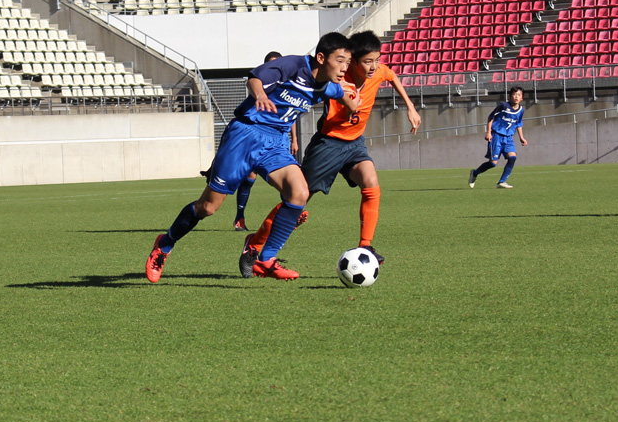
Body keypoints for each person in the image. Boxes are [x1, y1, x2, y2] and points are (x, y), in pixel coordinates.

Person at [145, 33, 359, 283]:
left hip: (276, 142)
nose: (344, 68)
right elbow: (255, 78)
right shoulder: (294, 65)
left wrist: (353, 105)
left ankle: (265, 259)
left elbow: (343, 96)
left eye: (348, 62)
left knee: (299, 193)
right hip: (246, 135)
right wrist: (260, 95)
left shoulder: (329, 86)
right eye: (340, 61)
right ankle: (164, 244)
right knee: (208, 207)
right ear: (321, 58)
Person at [238, 30, 421, 277]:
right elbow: (325, 104)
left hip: (355, 143)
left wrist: (410, 107)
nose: (374, 66)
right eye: (367, 61)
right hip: (328, 145)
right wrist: (348, 104)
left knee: (370, 180)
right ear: (353, 62)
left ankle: (366, 246)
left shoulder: (378, 71)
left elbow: (392, 76)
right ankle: (255, 244)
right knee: (297, 200)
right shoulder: (337, 81)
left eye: (377, 60)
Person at [231, 50, 301, 231]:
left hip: (280, 138)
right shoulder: (261, 86)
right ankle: (240, 217)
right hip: (259, 137)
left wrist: (294, 139)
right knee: (249, 177)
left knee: (288, 178)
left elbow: (291, 116)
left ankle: (288, 217)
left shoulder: (289, 86)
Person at [468, 86, 528, 189]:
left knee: (512, 157)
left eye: (519, 95)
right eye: (514, 94)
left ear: (522, 98)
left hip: (508, 137)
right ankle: (475, 173)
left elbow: (518, 124)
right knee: (493, 163)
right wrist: (489, 132)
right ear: (510, 96)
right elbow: (491, 117)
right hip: (497, 136)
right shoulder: (503, 106)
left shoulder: (521, 110)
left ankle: (502, 182)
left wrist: (521, 137)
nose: (516, 97)